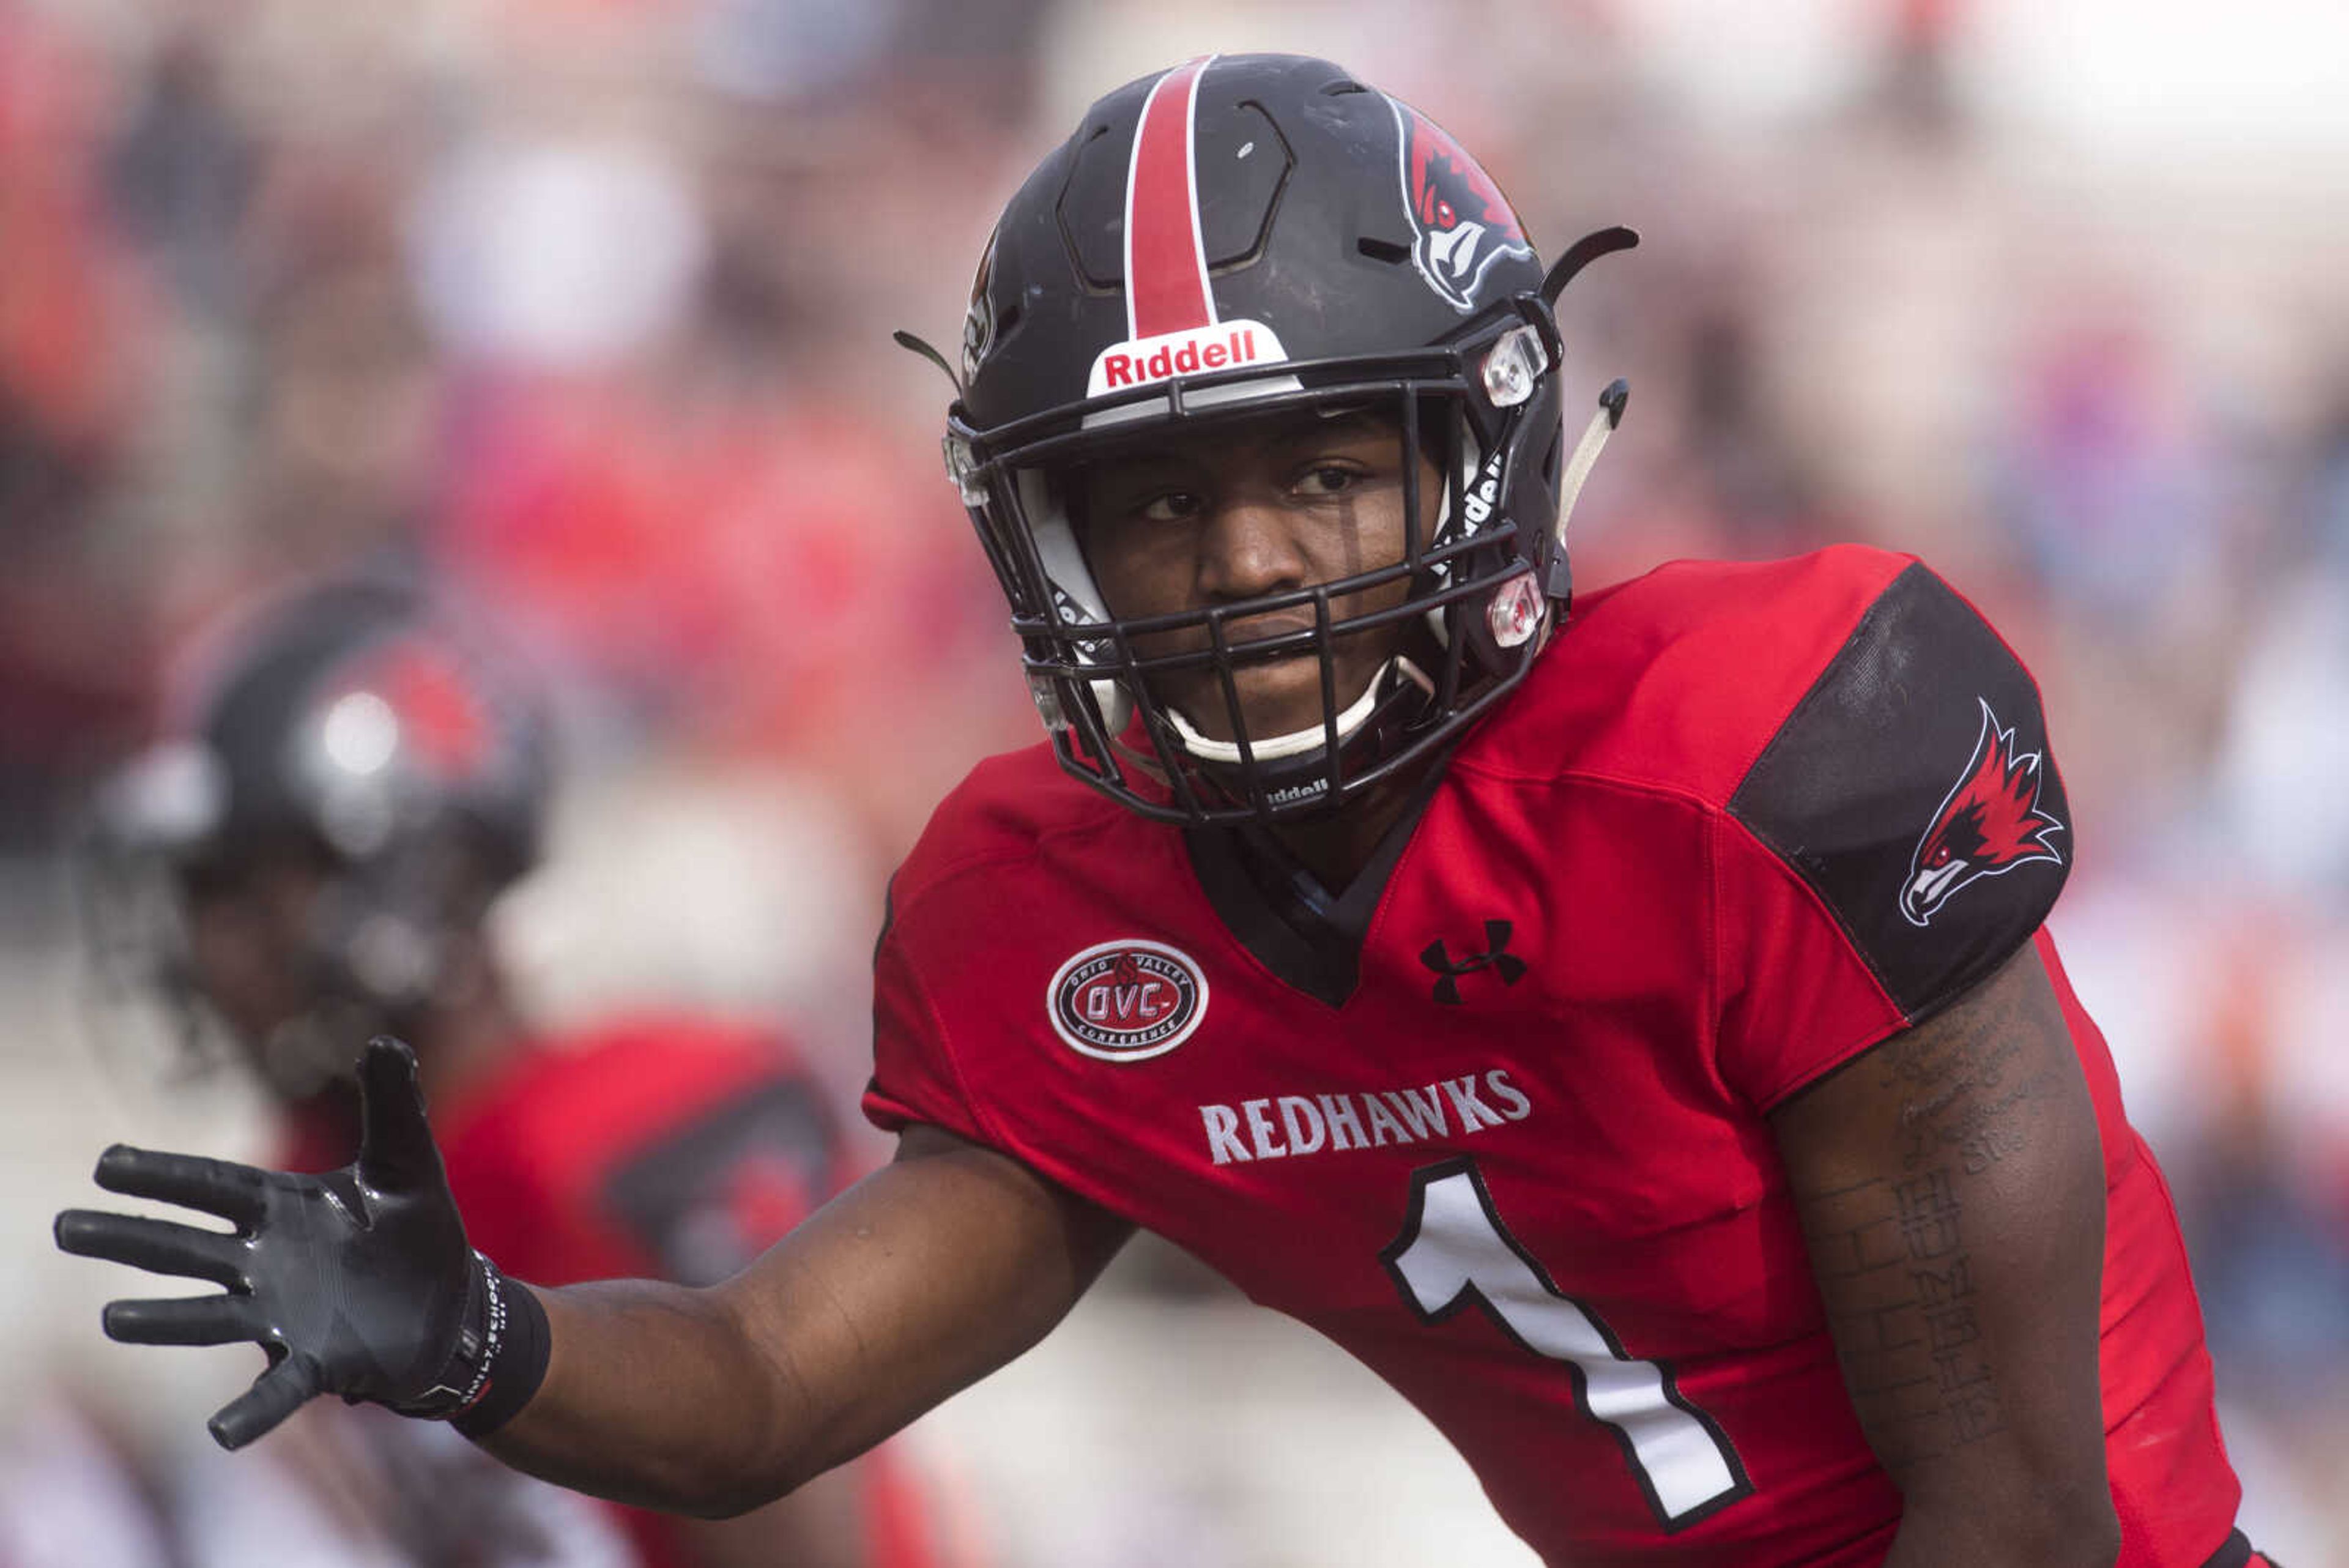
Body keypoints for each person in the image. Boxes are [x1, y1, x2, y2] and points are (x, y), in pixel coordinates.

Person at [58, 54, 2268, 1567]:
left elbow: (2024, 1525)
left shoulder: (1770, 760)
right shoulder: (1054, 919)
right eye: (1158, 501)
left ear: (1470, 448)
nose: (1240, 566)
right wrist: (486, 1340)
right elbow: (758, 1382)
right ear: (1046, 542)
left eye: (1318, 470)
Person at [74, 579, 948, 1568]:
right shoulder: (321, 1168)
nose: (206, 955)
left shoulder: (650, 1123)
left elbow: (804, 1546)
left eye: (242, 888)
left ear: (416, 875)